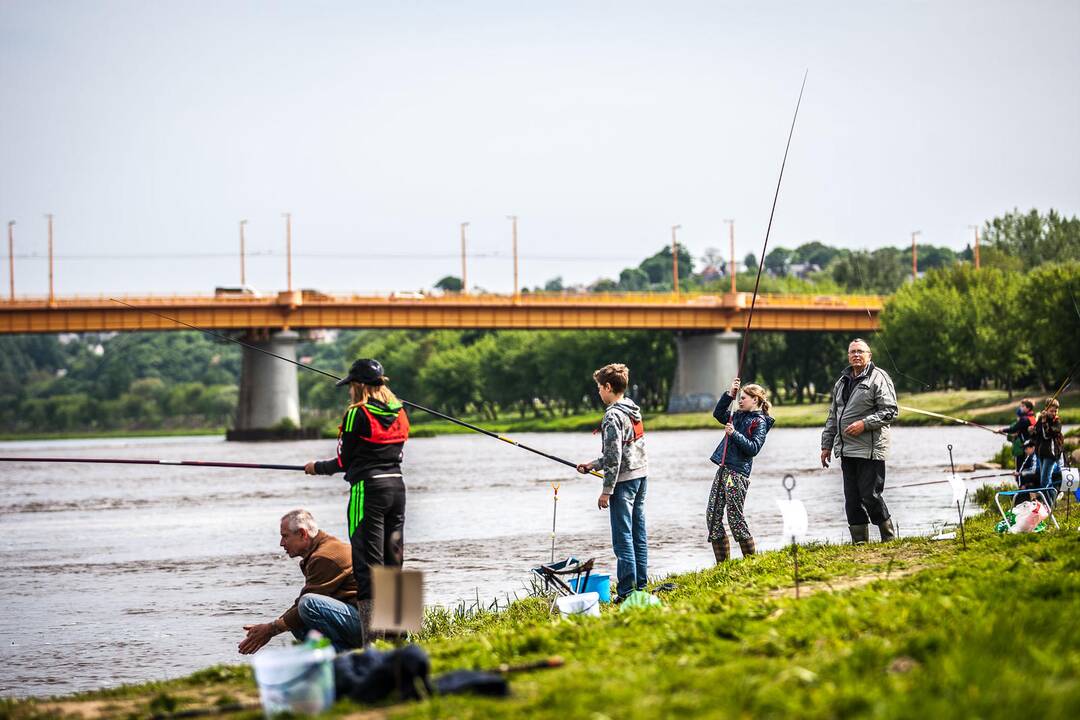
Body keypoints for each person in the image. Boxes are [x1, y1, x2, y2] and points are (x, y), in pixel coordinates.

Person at [305, 358, 408, 642]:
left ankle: (372, 643)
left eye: (351, 386)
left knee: (367, 565)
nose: (350, 391)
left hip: (368, 491)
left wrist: (317, 467)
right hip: (397, 489)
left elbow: (343, 460)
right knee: (394, 561)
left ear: (358, 386)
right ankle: (399, 639)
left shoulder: (356, 413)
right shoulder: (400, 412)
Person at [238, 509, 361, 654]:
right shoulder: (322, 549)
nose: (281, 543)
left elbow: (305, 603)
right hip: (357, 617)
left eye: (285, 536)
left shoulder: (324, 556)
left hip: (366, 622)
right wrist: (272, 627)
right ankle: (334, 655)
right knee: (294, 619)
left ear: (303, 534)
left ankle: (342, 655)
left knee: (308, 604)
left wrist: (271, 629)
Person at [576, 363, 649, 602]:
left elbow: (614, 458)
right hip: (640, 476)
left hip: (624, 483)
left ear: (608, 387)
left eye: (599, 387)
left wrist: (606, 491)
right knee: (638, 533)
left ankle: (627, 591)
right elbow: (621, 451)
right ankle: (640, 586)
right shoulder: (632, 410)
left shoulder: (612, 417)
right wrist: (592, 465)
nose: (598, 392)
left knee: (623, 538)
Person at [820, 338, 899, 544]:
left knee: (870, 496)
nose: (856, 355)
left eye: (860, 351)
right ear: (848, 356)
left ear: (869, 355)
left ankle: (889, 538)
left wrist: (864, 423)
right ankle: (860, 543)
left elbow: (890, 411)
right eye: (852, 352)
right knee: (852, 500)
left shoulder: (878, 378)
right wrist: (826, 445)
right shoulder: (842, 381)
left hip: (870, 450)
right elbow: (833, 415)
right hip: (846, 451)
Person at [706, 377, 774, 562]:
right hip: (723, 470)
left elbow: (753, 448)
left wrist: (733, 434)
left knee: (735, 518)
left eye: (743, 397)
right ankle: (723, 565)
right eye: (740, 397)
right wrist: (730, 395)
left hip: (737, 474)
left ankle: (751, 561)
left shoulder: (759, 422)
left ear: (755, 400)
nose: (740, 400)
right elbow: (718, 413)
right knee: (712, 517)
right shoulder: (736, 416)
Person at [1032, 398, 1063, 498]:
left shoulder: (1057, 422)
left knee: (1044, 482)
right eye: (1051, 411)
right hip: (1041, 453)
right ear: (1046, 409)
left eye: (1055, 411)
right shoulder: (1041, 418)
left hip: (1051, 454)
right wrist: (1032, 429)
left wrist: (1045, 421)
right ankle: (1051, 503)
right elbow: (1036, 433)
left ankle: (1050, 505)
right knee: (1046, 481)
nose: (1054, 413)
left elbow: (1048, 434)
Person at [999, 399, 1037, 472]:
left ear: (1028, 408)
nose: (1021, 408)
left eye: (1023, 406)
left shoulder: (1024, 419)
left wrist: (1001, 430)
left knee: (1020, 470)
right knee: (1028, 468)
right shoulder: (1033, 417)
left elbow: (1013, 429)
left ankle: (1021, 481)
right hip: (1031, 447)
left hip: (1025, 448)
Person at [1014, 439, 1040, 506]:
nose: (1025, 451)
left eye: (1026, 448)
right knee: (1019, 497)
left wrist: (1020, 473)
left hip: (1035, 483)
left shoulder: (1035, 456)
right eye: (1024, 449)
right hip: (1028, 484)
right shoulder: (1029, 456)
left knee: (1020, 498)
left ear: (1033, 447)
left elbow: (1034, 471)